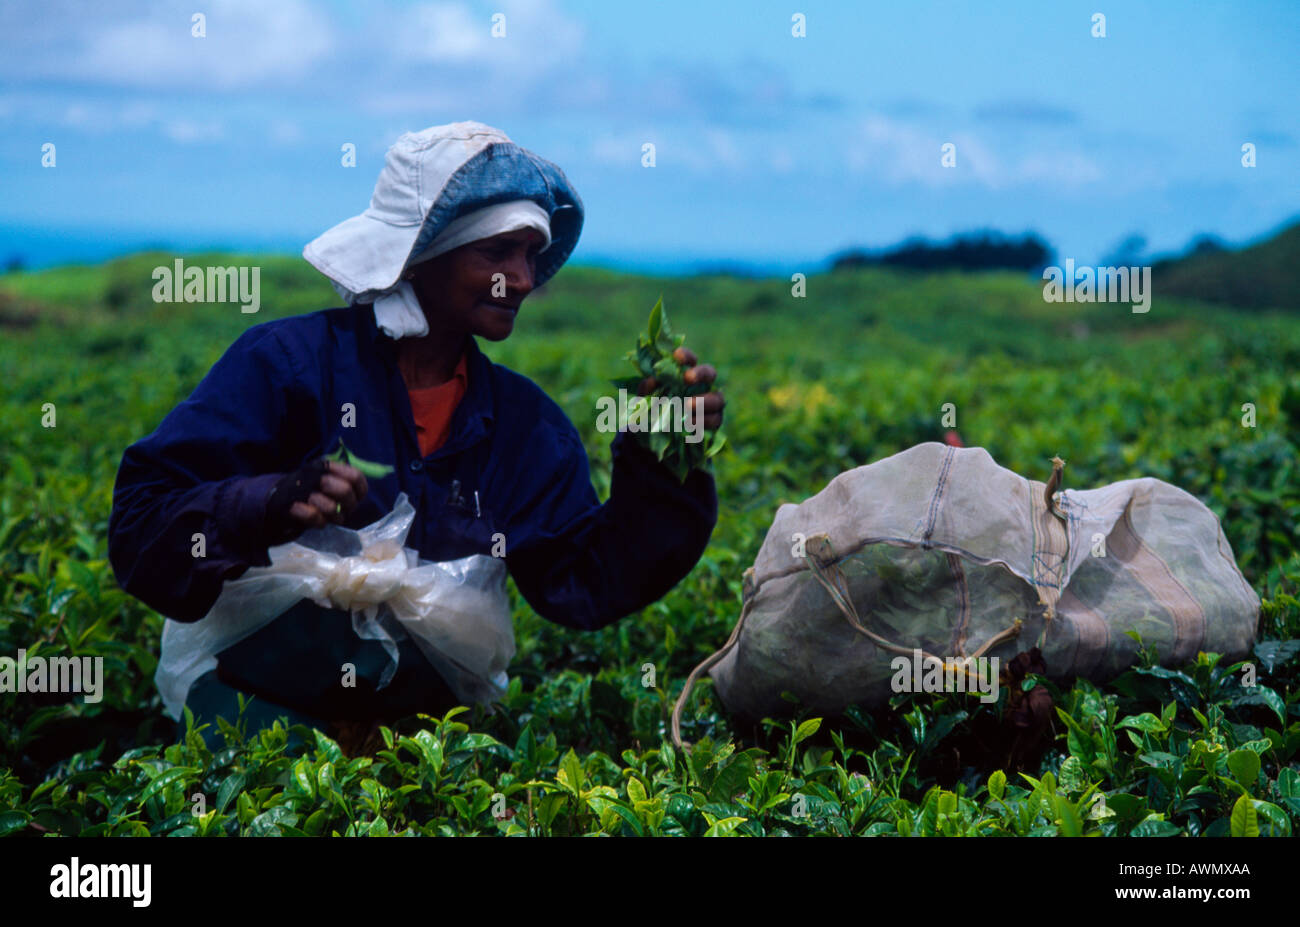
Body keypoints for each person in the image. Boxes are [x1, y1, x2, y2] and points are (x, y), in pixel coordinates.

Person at [108, 121, 724, 752]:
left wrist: (661, 460)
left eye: (530, 257)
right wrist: (266, 501)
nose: (522, 279)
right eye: (496, 254)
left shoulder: (524, 426)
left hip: (427, 747)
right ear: (423, 256)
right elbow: (139, 523)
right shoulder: (287, 368)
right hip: (252, 714)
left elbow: (585, 583)